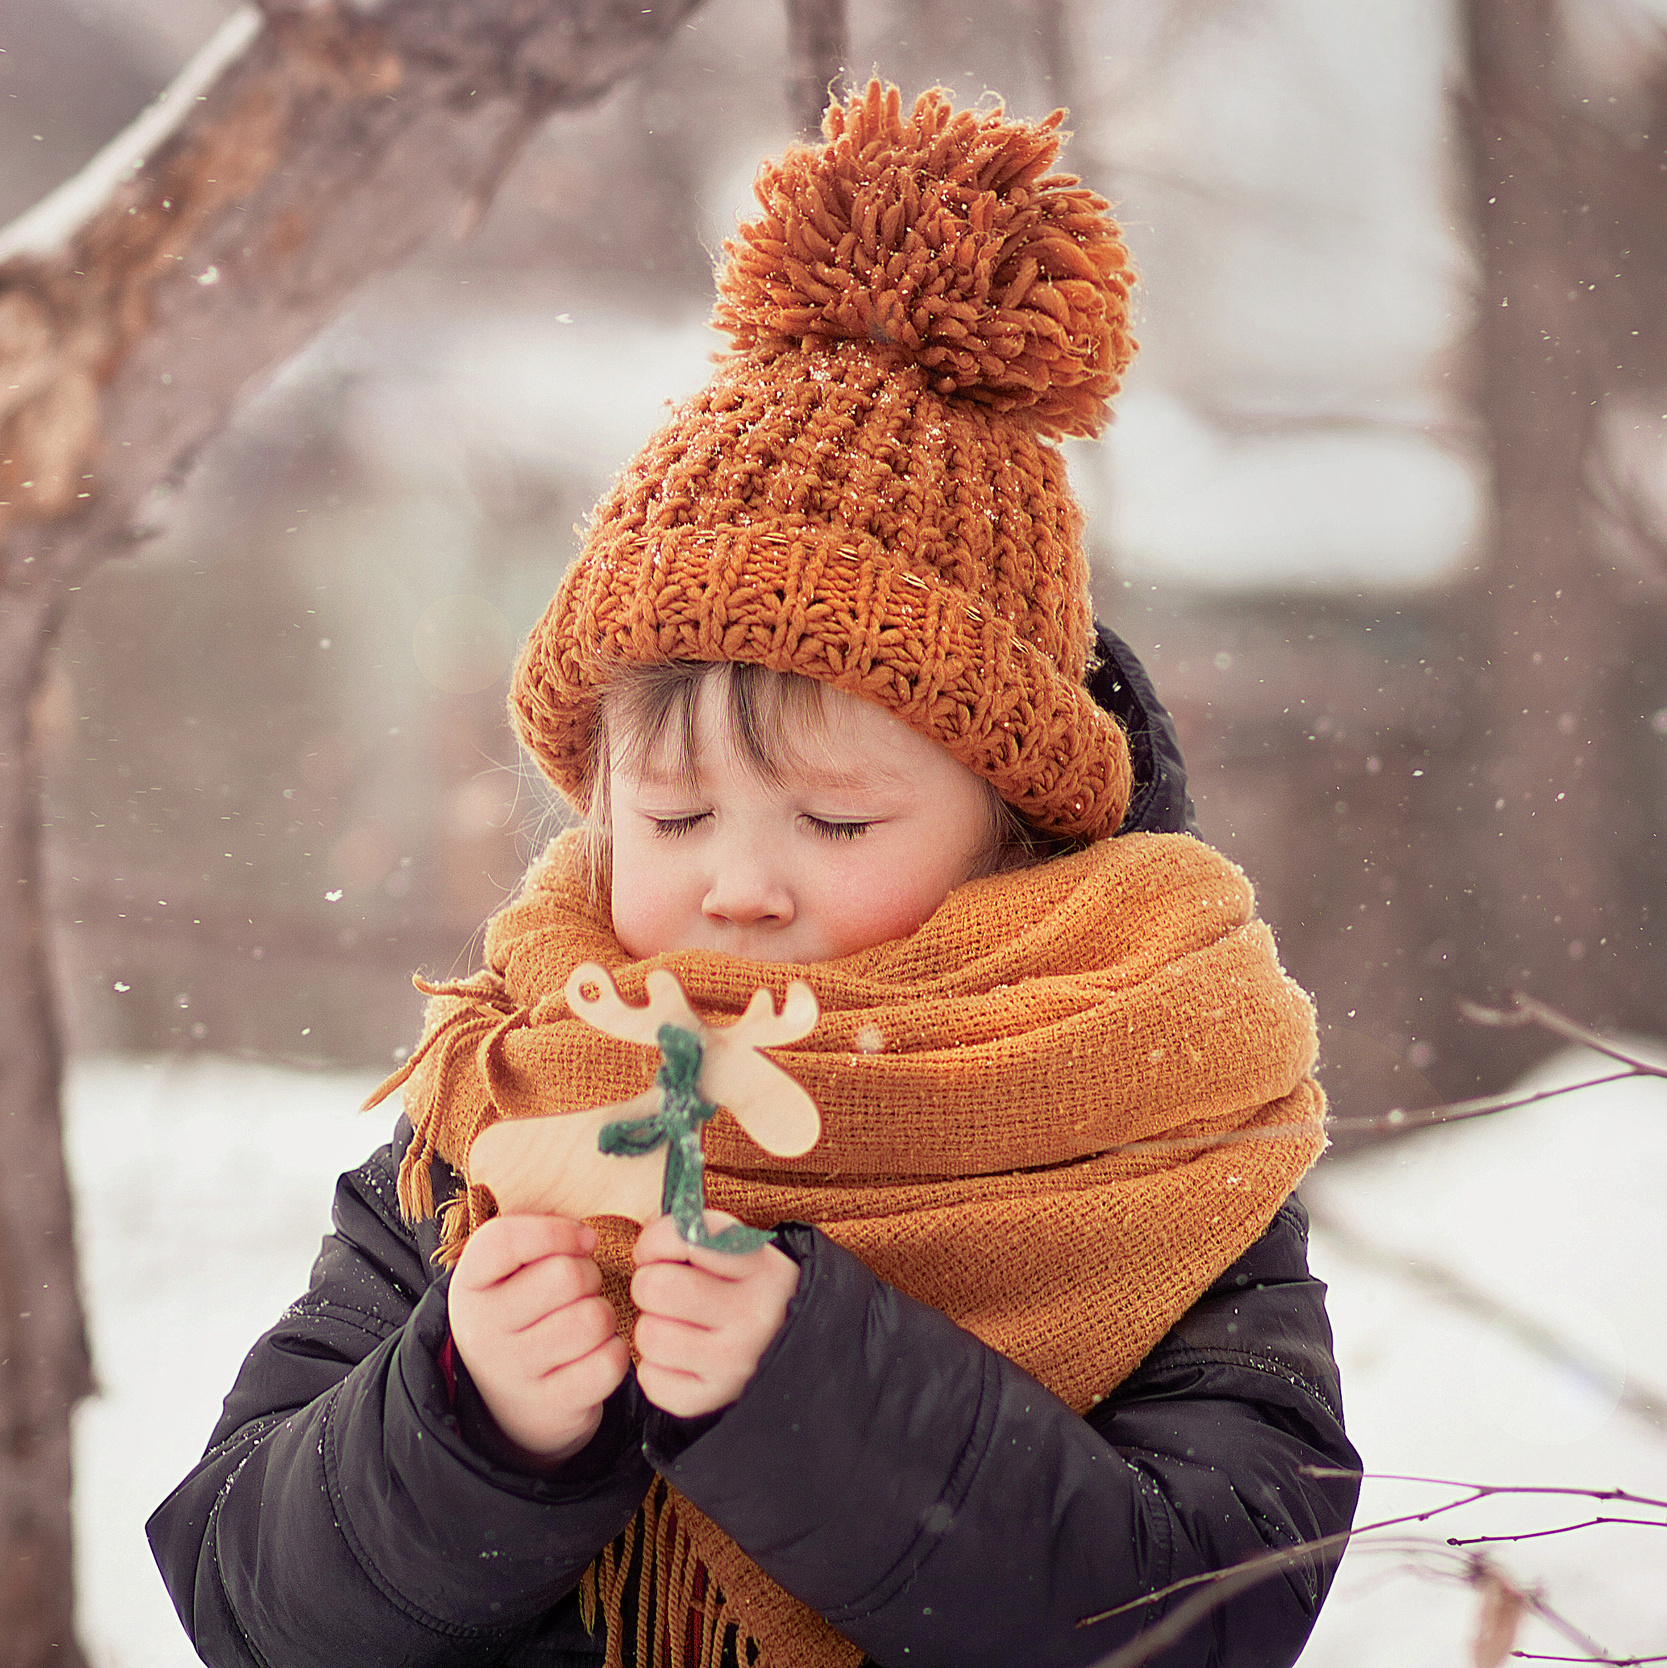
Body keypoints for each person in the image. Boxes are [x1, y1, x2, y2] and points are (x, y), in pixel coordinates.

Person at [149, 82, 1360, 1668]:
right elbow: (243, 1594)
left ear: (1009, 819)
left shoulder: (1135, 1121)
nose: (738, 886)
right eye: (671, 819)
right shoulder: (506, 1107)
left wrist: (818, 1407)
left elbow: (1205, 1608)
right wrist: (466, 1421)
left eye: (834, 825)